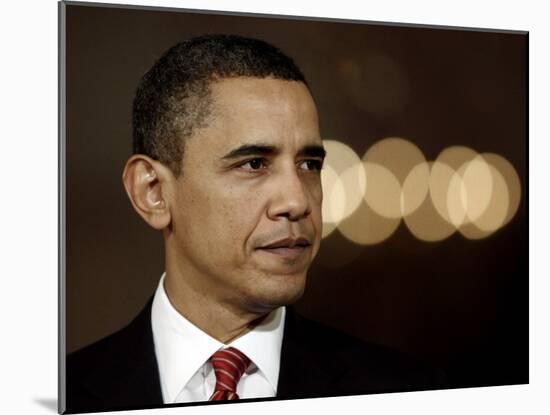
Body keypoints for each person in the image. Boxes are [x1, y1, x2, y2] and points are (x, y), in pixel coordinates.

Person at [65, 34, 446, 413]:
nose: (297, 201)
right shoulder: (52, 395)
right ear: (153, 191)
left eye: (309, 164)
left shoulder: (408, 394)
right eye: (254, 164)